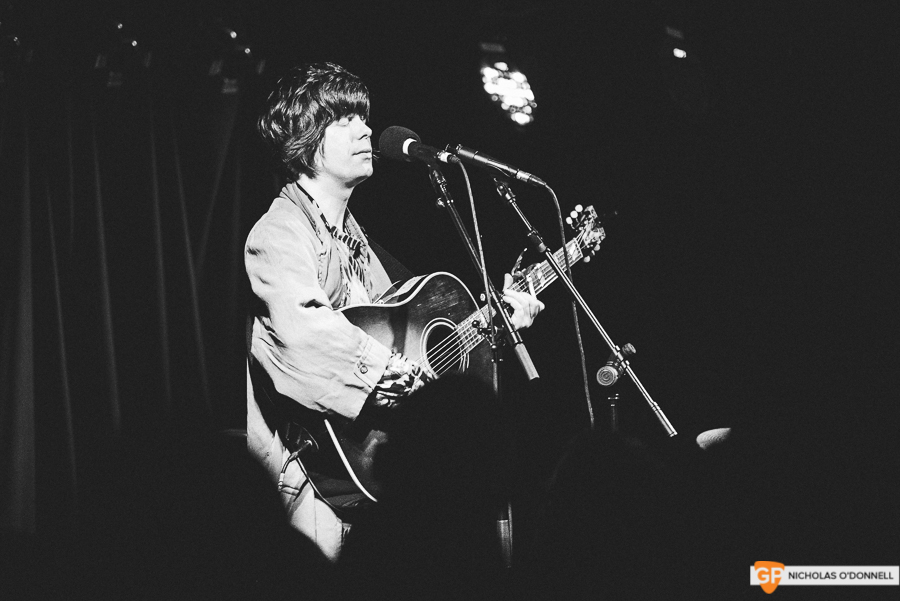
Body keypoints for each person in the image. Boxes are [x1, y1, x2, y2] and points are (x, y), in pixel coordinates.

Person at [245, 62, 544, 561]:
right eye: (344, 119)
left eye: (364, 117)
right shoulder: (279, 232)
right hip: (313, 486)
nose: (365, 128)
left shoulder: (360, 243)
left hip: (364, 487)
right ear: (304, 136)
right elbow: (304, 331)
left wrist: (496, 325)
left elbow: (413, 348)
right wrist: (386, 369)